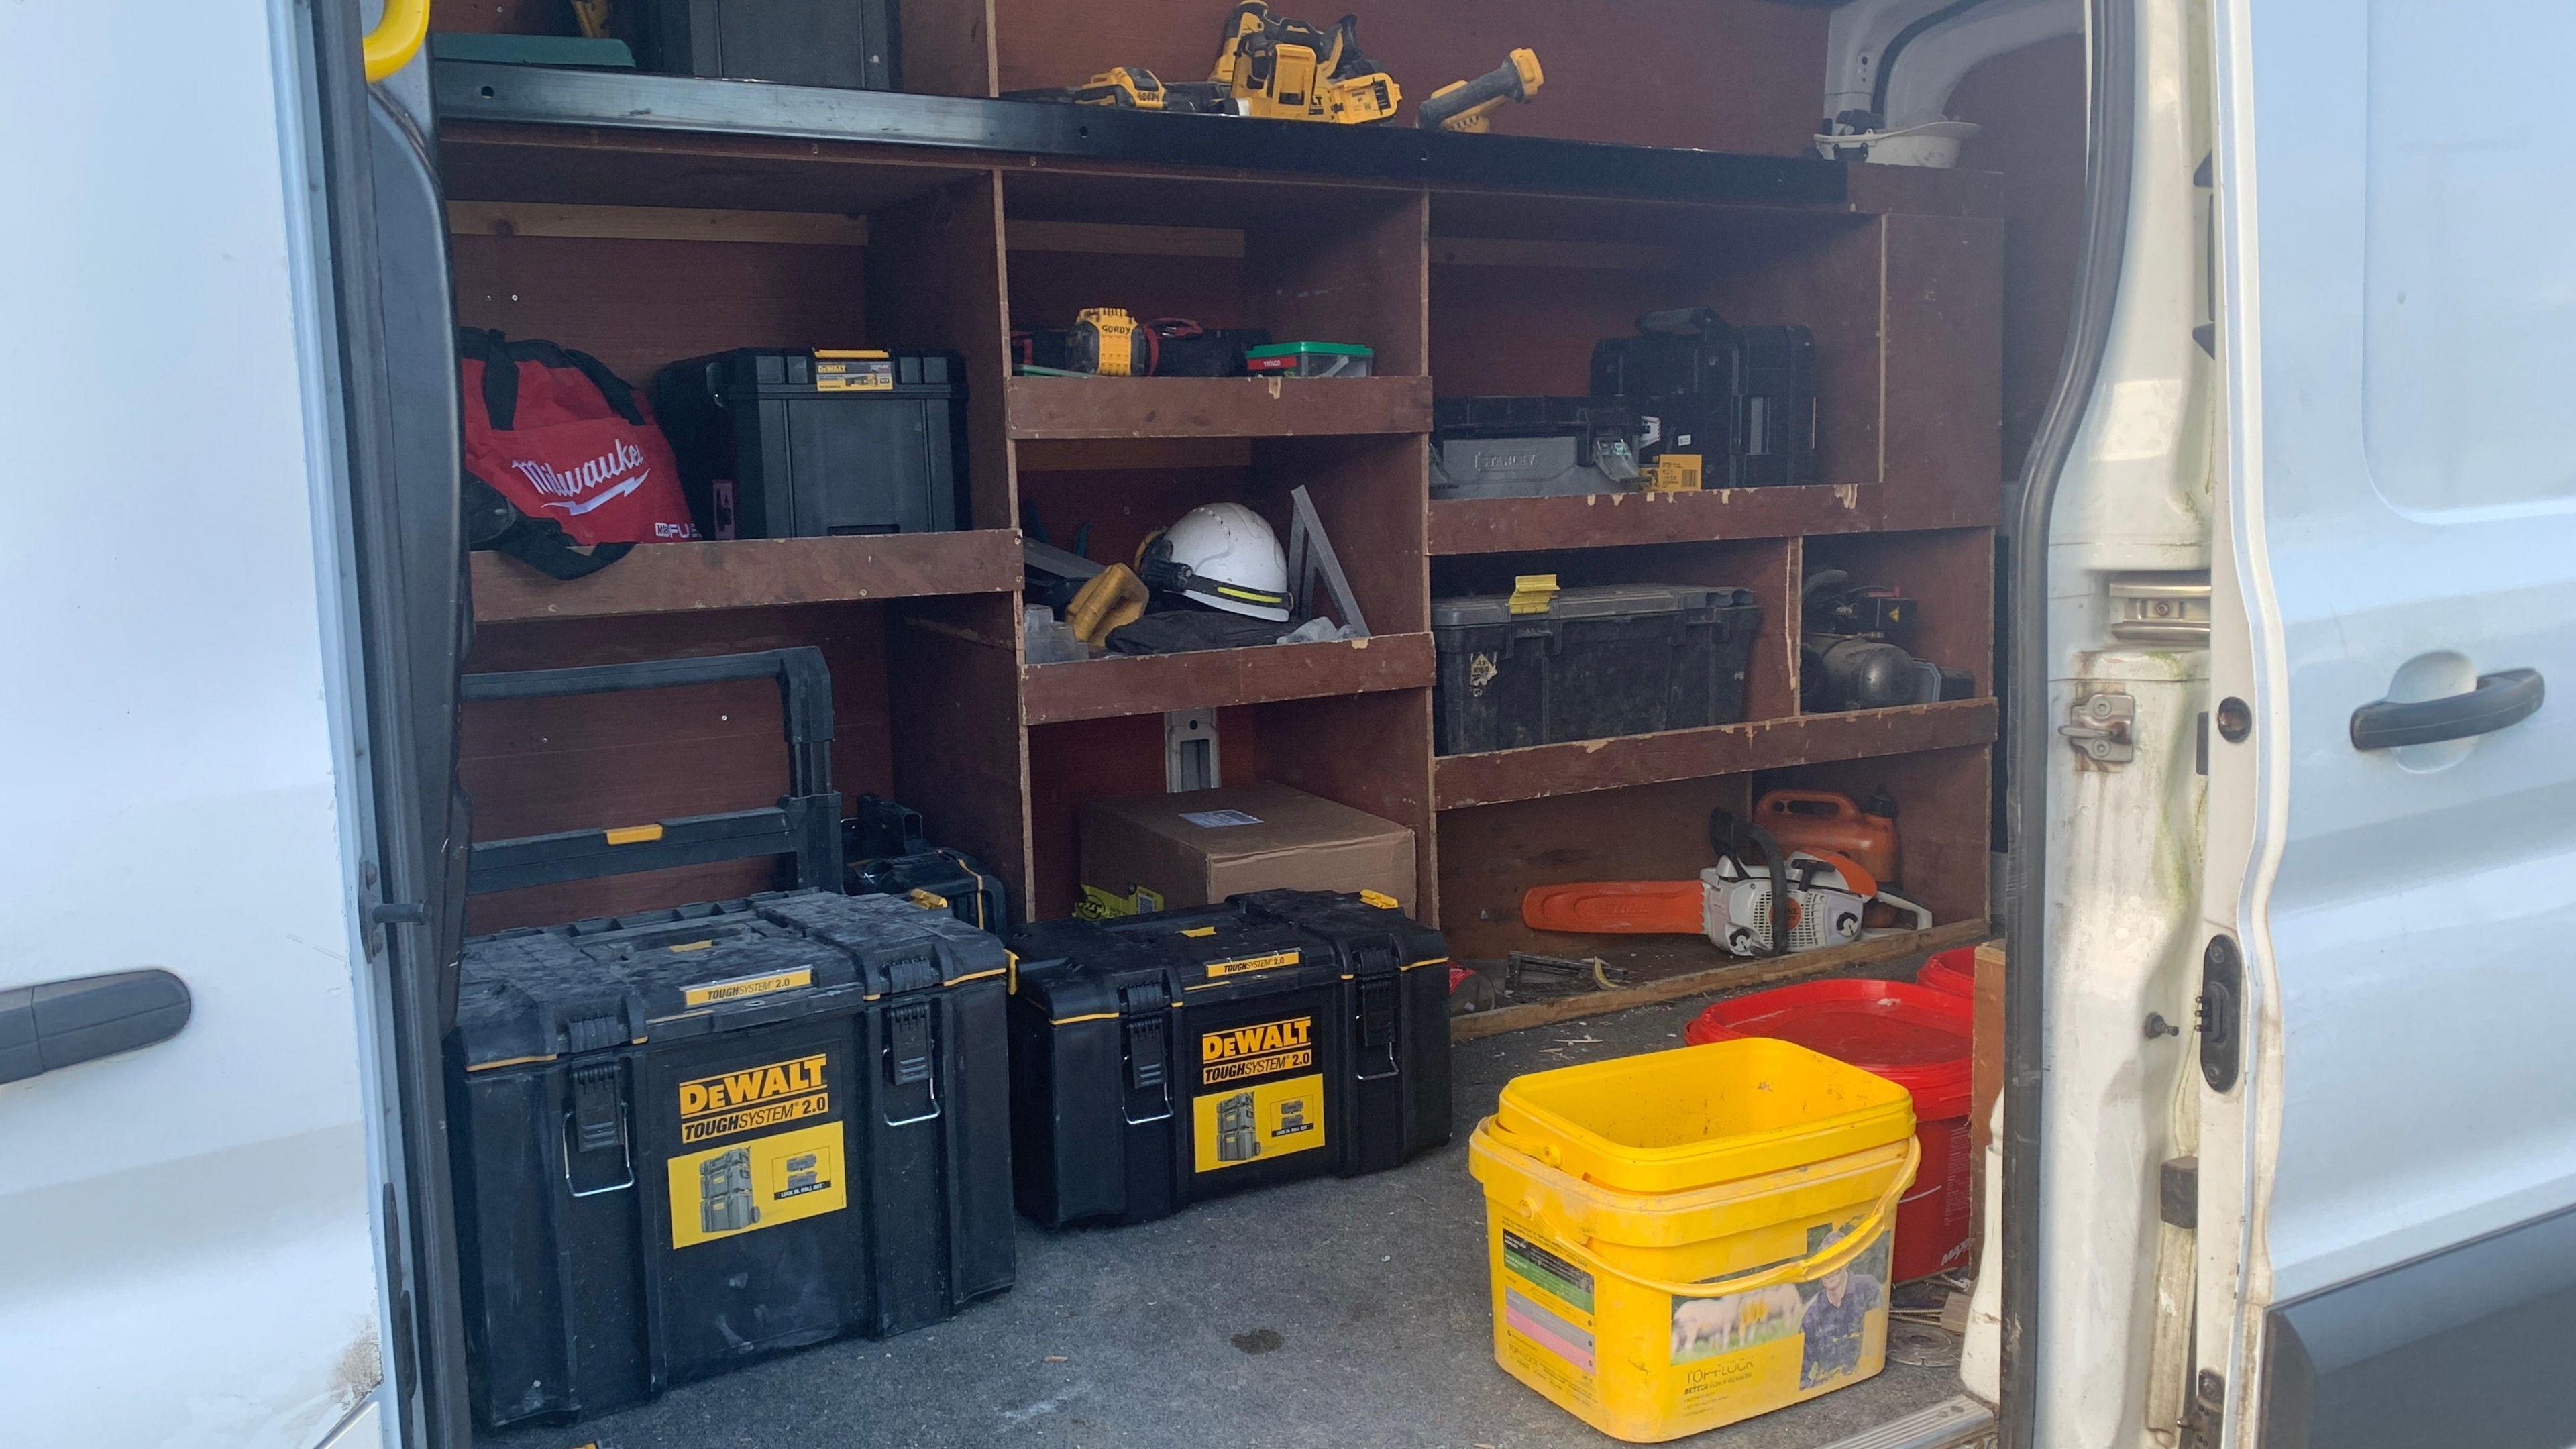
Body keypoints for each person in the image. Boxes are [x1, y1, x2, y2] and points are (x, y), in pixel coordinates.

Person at [1797, 1230, 1886, 1388]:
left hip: (1869, 1382)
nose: (1829, 1270)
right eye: (1823, 1263)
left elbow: (1875, 1341)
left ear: (1848, 1261)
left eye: (1836, 1261)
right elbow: (1799, 1375)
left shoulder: (1867, 1289)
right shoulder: (1811, 1317)